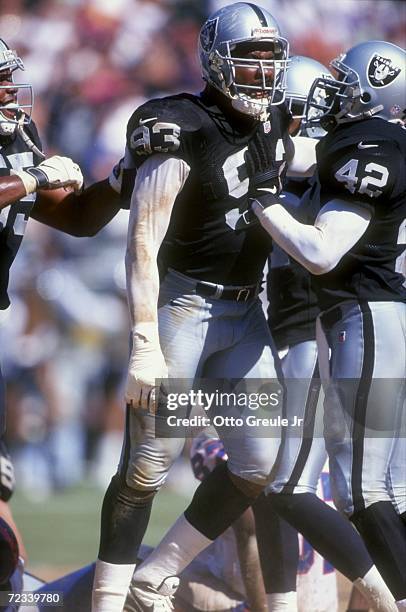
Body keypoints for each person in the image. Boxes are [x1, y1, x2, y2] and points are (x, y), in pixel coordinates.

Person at [92, 3, 319, 610]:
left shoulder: (274, 124)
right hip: (183, 306)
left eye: (272, 60)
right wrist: (143, 338)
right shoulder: (178, 125)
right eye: (251, 60)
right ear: (218, 61)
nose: (264, 74)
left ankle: (156, 572)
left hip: (246, 313)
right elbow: (142, 240)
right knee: (148, 464)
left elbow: (318, 162)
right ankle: (107, 599)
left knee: (259, 462)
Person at [250, 40, 406, 609]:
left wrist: (262, 203)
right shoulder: (369, 142)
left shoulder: (373, 146)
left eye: (346, 80)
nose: (332, 89)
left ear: (374, 91)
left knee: (364, 491)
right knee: (385, 490)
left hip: (365, 314)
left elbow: (321, 253)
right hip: (371, 317)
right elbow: (302, 154)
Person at [0, 37, 125, 589]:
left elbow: (75, 219)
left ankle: (17, 592)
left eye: (9, 78)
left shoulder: (16, 136)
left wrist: (126, 179)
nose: (10, 91)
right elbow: (31, 186)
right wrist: (31, 178)